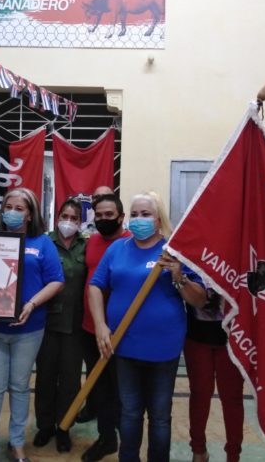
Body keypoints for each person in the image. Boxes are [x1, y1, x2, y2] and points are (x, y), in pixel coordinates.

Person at [89, 192, 207, 462]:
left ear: (158, 219)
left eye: (146, 214)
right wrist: (100, 325)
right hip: (123, 343)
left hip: (163, 349)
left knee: (160, 416)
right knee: (129, 412)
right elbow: (96, 285)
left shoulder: (174, 252)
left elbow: (200, 299)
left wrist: (179, 277)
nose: (139, 219)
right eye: (134, 214)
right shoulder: (117, 249)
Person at [0, 187, 64, 462]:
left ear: (30, 213)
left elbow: (56, 280)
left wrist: (32, 303)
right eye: (8, 207)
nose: (12, 212)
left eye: (19, 208)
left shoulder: (43, 243)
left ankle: (17, 443)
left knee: (20, 387)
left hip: (29, 329)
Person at [33, 198, 87, 452]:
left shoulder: (85, 246)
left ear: (80, 221)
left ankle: (64, 427)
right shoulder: (45, 242)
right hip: (45, 321)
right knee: (45, 377)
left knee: (70, 380)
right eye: (65, 216)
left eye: (74, 217)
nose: (68, 221)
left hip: (75, 324)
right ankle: (45, 426)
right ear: (57, 217)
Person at [81, 193, 131, 461]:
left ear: (121, 217)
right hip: (90, 328)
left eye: (108, 215)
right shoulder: (92, 241)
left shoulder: (131, 243)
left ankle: (128, 444)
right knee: (99, 388)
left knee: (122, 392)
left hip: (122, 332)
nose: (102, 220)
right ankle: (106, 439)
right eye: (98, 215)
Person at [184, 289, 244, 462]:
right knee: (199, 395)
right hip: (196, 336)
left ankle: (233, 455)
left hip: (233, 337)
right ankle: (198, 451)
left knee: (232, 398)